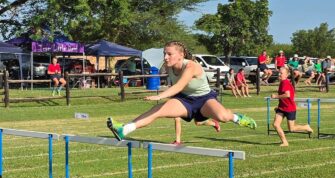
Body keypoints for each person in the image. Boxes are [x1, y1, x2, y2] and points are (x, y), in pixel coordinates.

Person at [106, 41, 257, 140]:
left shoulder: (191, 66)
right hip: (185, 100)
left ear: (181, 55)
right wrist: (164, 100)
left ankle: (237, 118)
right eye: (164, 53)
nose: (165, 57)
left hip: (204, 99)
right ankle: (124, 130)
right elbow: (178, 89)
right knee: (157, 110)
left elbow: (178, 85)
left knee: (223, 116)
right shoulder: (168, 66)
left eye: (169, 54)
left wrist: (160, 96)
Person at [271, 66, 313, 147]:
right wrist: (278, 106)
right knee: (276, 124)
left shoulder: (285, 82)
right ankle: (285, 142)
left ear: (286, 75)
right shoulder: (282, 82)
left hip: (290, 108)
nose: (279, 74)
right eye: (279, 73)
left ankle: (306, 127)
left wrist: (276, 96)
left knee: (292, 129)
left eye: (281, 73)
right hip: (282, 107)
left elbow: (287, 95)